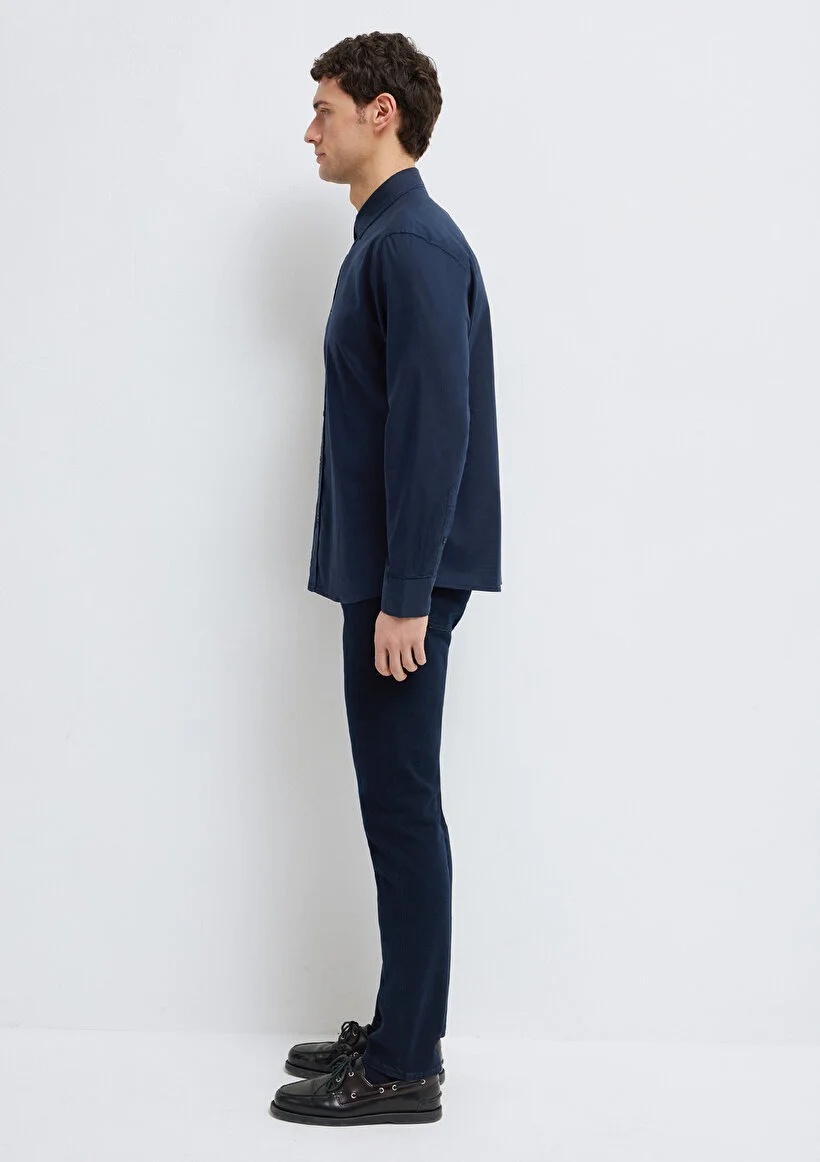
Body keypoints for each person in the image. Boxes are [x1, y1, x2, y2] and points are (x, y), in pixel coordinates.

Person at [270, 30, 502, 1127]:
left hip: (404, 584)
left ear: (381, 113)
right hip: (387, 573)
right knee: (395, 805)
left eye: (323, 108)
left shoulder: (410, 244)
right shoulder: (387, 239)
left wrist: (407, 591)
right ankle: (401, 1025)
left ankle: (408, 1064)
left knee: (403, 810)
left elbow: (433, 427)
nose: (309, 130)